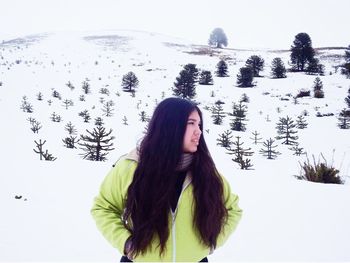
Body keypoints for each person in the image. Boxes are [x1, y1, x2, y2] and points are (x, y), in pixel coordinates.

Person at [91, 97, 242, 262]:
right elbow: (103, 208)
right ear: (169, 126)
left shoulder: (206, 172)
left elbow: (232, 209)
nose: (198, 131)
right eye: (191, 123)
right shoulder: (131, 167)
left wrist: (212, 243)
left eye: (199, 125)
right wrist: (126, 243)